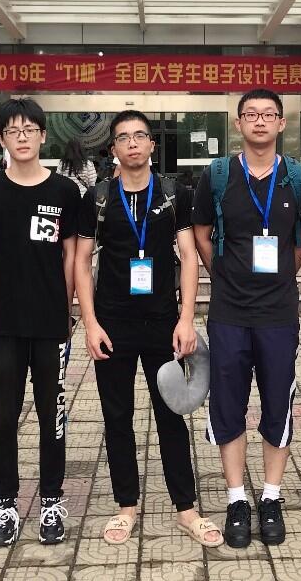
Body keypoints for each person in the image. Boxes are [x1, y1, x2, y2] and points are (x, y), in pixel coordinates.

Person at [75, 109, 222, 548]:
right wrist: (90, 323)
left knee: (171, 415)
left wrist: (186, 318)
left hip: (162, 323)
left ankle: (186, 508)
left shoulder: (174, 193)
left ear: (152, 145)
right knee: (116, 417)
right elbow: (81, 262)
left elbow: (189, 257)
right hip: (113, 324)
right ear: (113, 149)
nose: (133, 144)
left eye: (140, 136)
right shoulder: (98, 197)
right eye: (124, 138)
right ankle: (126, 506)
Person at [192, 88, 301, 549]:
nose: (260, 121)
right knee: (228, 402)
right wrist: (223, 274)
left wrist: (282, 273)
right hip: (228, 312)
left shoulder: (299, 178)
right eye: (251, 114)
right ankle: (236, 500)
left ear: (281, 123)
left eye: (268, 114)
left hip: (278, 313)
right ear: (238, 123)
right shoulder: (218, 175)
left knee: (277, 402)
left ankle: (270, 496)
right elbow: (202, 232)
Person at [0, 98, 80, 547]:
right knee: (3, 417)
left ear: (42, 135)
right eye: (13, 130)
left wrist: (67, 309)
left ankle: (51, 500)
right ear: (2, 139)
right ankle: (6, 504)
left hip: (50, 323)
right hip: (4, 324)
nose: (22, 137)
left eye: (29, 129)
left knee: (53, 416)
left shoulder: (64, 191)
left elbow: (71, 255)